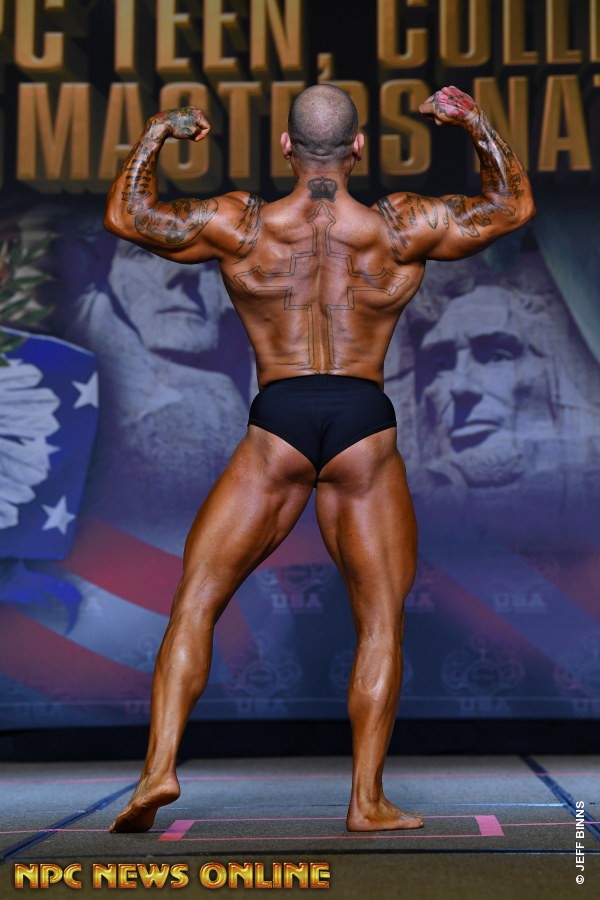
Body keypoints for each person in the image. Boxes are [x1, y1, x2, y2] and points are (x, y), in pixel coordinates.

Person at [103, 84, 535, 833]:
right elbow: (511, 206)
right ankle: (366, 801)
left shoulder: (243, 224)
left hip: (279, 420)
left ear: (286, 147)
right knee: (380, 622)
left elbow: (127, 215)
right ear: (359, 147)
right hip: (364, 424)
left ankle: (158, 770)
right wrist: (473, 123)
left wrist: (159, 132)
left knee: (197, 600)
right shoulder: (398, 227)